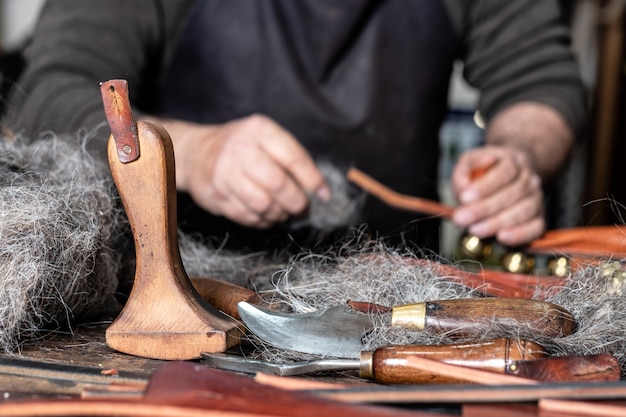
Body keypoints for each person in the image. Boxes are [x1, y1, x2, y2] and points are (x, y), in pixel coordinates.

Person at [5, 0, 586, 253]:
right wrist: (197, 153)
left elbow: (540, 82)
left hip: (389, 311)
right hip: (188, 307)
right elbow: (49, 97)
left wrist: (518, 157)